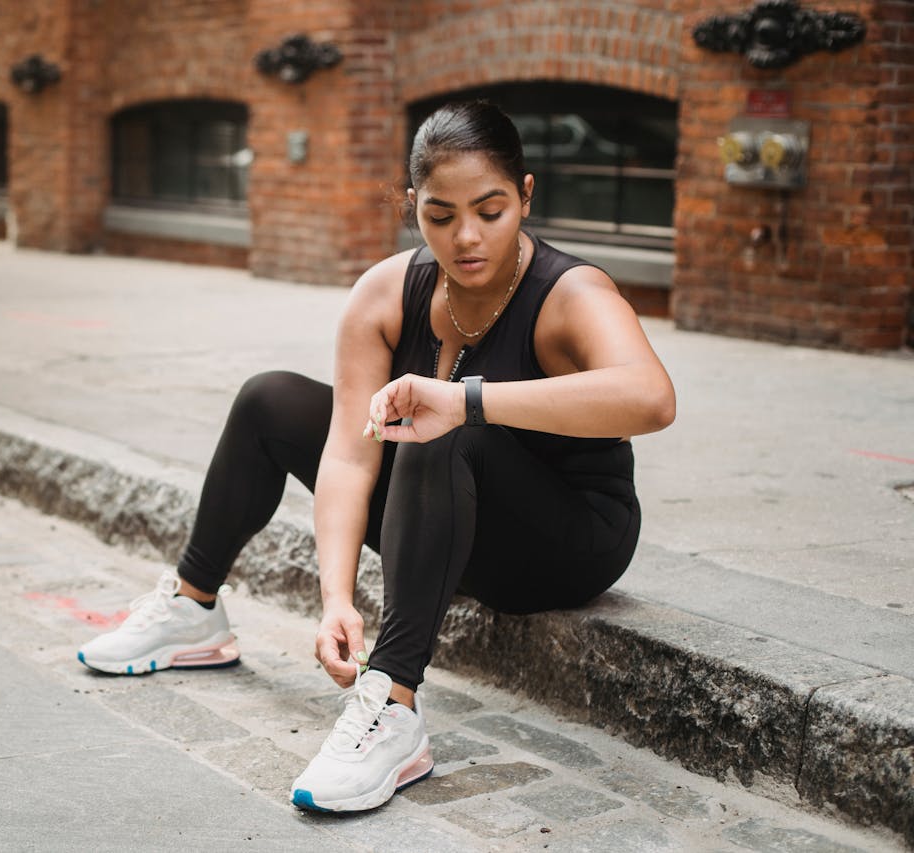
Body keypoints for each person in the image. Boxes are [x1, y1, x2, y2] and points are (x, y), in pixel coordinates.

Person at [77, 99, 676, 813]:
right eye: (440, 215)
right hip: (451, 515)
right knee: (270, 398)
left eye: (490, 210)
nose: (467, 236)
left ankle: (392, 703)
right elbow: (349, 456)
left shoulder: (569, 292)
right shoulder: (387, 292)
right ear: (413, 207)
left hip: (569, 538)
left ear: (526, 195)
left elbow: (652, 396)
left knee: (435, 422)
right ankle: (194, 606)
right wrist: (335, 597)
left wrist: (468, 399)